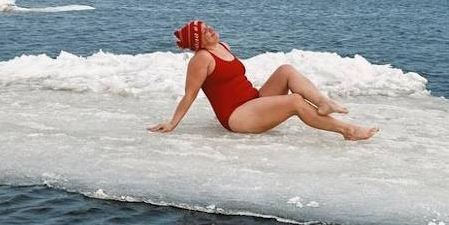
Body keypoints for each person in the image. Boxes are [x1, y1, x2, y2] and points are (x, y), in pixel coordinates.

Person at [148, 20, 379, 141]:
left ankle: (322, 101)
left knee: (286, 70)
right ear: (198, 41)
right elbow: (190, 94)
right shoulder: (201, 59)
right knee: (295, 102)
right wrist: (172, 123)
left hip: (252, 100)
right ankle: (348, 131)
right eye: (206, 31)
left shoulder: (223, 46)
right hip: (237, 116)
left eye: (209, 27)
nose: (212, 30)